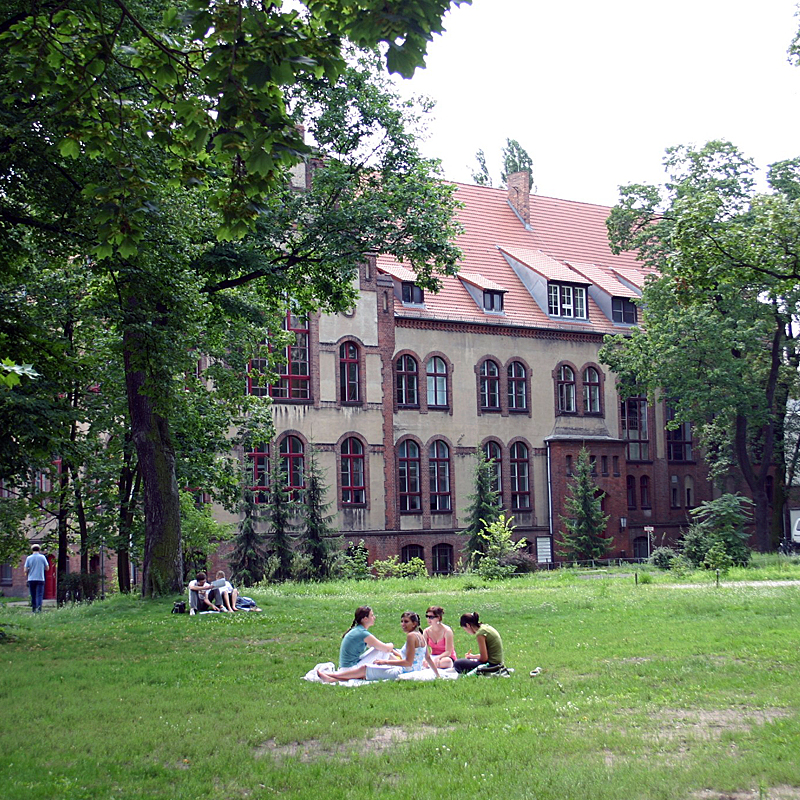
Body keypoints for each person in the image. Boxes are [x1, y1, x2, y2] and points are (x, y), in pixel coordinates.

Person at [318, 611, 439, 683]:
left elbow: (408, 662)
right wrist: (437, 674)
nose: (403, 624)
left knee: (365, 669)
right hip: (411, 670)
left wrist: (384, 662)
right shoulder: (421, 636)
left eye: (406, 622)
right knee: (366, 670)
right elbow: (427, 657)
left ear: (414, 624)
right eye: (402, 621)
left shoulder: (411, 637)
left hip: (402, 671)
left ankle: (333, 677)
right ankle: (335, 677)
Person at [23, 544, 49, 613]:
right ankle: (39, 609)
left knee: (33, 595)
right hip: (40, 578)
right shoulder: (42, 557)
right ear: (39, 549)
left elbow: (25, 570)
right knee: (39, 595)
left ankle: (34, 609)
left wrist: (29, 569)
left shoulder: (29, 558)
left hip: (31, 579)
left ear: (32, 550)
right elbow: (47, 568)